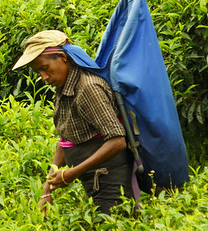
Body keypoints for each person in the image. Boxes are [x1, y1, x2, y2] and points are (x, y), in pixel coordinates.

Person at [13, 30, 139, 215]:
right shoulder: (64, 88)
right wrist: (46, 190)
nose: (44, 77)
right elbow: (66, 140)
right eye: (38, 72)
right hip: (94, 181)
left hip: (111, 182)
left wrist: (73, 173)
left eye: (45, 68)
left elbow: (117, 140)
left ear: (63, 57)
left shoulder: (88, 88)